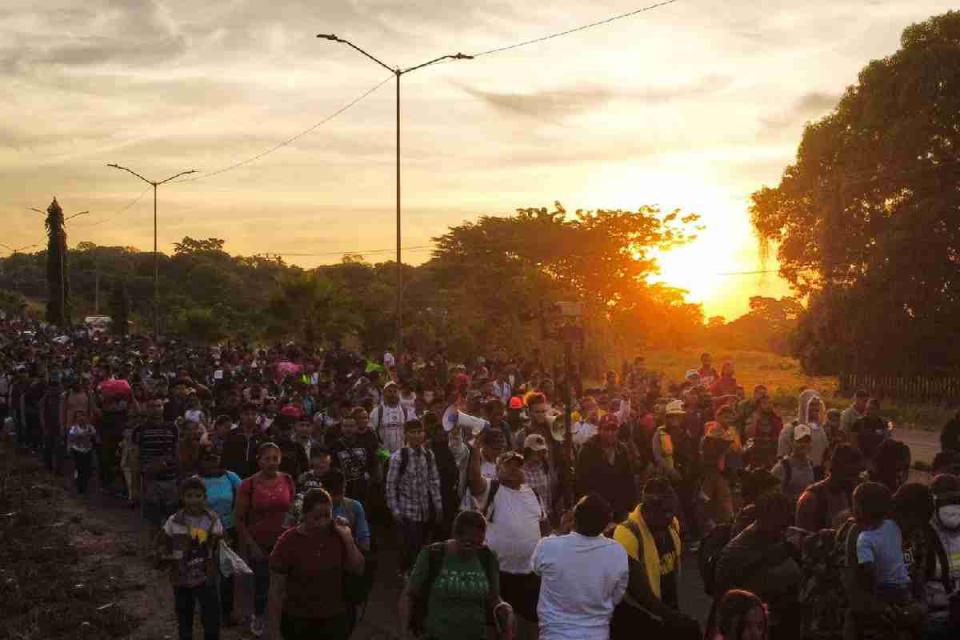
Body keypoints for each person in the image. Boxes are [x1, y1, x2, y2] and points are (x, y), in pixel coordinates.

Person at [467, 447, 548, 632]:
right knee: (496, 622)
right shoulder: (492, 489)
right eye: (508, 466)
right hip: (499, 573)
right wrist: (474, 449)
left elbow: (544, 525)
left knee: (530, 622)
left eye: (518, 466)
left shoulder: (533, 494)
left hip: (530, 573)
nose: (515, 469)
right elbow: (473, 479)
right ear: (498, 471)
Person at [266, 488, 365, 640]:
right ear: (304, 515)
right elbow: (276, 589)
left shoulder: (338, 535)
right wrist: (274, 632)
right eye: (317, 518)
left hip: (334, 619)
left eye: (327, 516)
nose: (323, 522)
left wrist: (347, 537)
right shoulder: (288, 541)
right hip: (298, 620)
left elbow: (358, 567)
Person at [400, 510, 511, 640]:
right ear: (455, 536)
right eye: (468, 543)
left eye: (479, 543)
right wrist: (405, 632)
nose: (474, 549)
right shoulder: (433, 555)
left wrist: (505, 614)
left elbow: (494, 597)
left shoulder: (487, 557)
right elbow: (409, 594)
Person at [611, 478, 700, 640]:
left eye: (673, 510)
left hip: (666, 611)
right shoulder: (627, 534)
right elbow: (639, 594)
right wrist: (673, 618)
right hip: (643, 620)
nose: (671, 516)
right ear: (649, 508)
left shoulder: (671, 524)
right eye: (666, 511)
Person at [532, 494, 629, 640]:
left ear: (574, 519)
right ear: (606, 524)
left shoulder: (548, 546)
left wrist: (560, 531)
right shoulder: (618, 552)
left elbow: (536, 569)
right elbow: (616, 596)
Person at [714, 491, 801, 640]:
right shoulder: (739, 550)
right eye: (778, 521)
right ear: (763, 518)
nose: (784, 527)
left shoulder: (774, 538)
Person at [234, 442, 296, 638]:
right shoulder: (248, 484)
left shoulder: (287, 479)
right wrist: (250, 545)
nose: (272, 462)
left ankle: (287, 620)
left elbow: (293, 510)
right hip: (258, 542)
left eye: (275, 458)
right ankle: (258, 617)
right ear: (258, 460)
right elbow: (239, 518)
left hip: (285, 541)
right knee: (262, 583)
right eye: (267, 458)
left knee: (287, 584)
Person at [157, 476, 225, 640]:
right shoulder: (173, 521)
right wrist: (165, 558)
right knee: (184, 616)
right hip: (181, 576)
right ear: (182, 498)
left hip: (206, 576)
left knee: (210, 616)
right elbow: (162, 543)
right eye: (189, 496)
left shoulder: (212, 520)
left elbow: (220, 544)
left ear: (205, 497)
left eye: (198, 496)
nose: (194, 500)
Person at [385, 418, 443, 574]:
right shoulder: (399, 457)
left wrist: (438, 506)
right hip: (406, 511)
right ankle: (405, 573)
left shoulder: (429, 455)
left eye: (420, 432)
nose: (417, 435)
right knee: (409, 546)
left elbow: (434, 481)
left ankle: (416, 575)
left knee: (421, 546)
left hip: (424, 511)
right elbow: (391, 486)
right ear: (406, 435)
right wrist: (395, 511)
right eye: (413, 432)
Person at [197, 448, 242, 625]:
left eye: (215, 458)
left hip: (228, 531)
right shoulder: (195, 481)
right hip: (202, 532)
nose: (212, 462)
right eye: (207, 458)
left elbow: (243, 497)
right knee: (205, 571)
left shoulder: (231, 477)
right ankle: (207, 610)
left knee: (227, 572)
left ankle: (226, 611)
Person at [575, 413, 637, 522]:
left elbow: (629, 479)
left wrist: (631, 507)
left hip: (619, 507)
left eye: (613, 429)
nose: (610, 433)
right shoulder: (588, 450)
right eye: (606, 429)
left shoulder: (622, 450)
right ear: (599, 430)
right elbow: (581, 483)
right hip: (596, 509)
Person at [796, 444, 863, 531]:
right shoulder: (812, 498)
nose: (855, 479)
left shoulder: (851, 493)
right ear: (838, 468)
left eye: (857, 474)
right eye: (852, 474)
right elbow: (803, 538)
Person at [771, 424, 816, 507]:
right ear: (791, 442)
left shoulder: (811, 465)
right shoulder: (782, 467)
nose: (803, 444)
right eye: (799, 441)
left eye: (806, 441)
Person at [221, 403, 265, 478]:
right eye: (246, 414)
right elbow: (225, 458)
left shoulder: (263, 437)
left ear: (257, 416)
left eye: (253, 414)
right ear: (241, 415)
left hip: (256, 478)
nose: (250, 417)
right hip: (234, 477)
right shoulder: (231, 435)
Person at [370, 381, 416, 454]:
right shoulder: (376, 412)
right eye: (390, 391)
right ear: (384, 393)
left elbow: (412, 432)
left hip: (402, 452)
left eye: (395, 392)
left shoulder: (406, 412)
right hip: (383, 453)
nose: (392, 394)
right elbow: (371, 433)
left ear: (398, 393)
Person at [66, 409, 97, 494]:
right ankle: (79, 487)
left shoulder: (90, 427)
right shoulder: (74, 428)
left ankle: (85, 486)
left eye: (83, 416)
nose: (81, 418)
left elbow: (94, 436)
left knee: (87, 470)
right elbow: (71, 438)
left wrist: (90, 436)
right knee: (79, 469)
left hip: (88, 450)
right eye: (79, 416)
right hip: (77, 451)